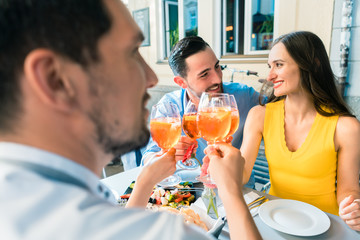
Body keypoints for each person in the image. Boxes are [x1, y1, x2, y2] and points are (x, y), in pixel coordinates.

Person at [0, 0, 261, 239]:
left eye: (218, 67)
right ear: (54, 79)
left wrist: (146, 181)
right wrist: (230, 190)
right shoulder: (161, 233)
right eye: (131, 52)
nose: (151, 78)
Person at [239, 31, 360, 230]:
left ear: (311, 64)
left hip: (328, 225)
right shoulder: (259, 115)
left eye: (279, 65)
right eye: (270, 67)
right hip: (274, 222)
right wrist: (222, 164)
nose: (269, 76)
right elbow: (242, 174)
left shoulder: (346, 127)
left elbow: (348, 189)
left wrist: (352, 206)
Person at [142, 36, 261, 188]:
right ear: (181, 82)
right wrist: (168, 155)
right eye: (205, 74)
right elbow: (148, 157)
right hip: (191, 192)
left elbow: (283, 109)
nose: (217, 79)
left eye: (217, 67)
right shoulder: (169, 106)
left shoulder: (244, 96)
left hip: (240, 189)